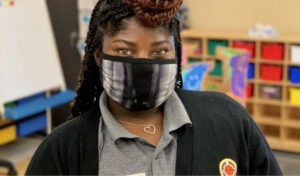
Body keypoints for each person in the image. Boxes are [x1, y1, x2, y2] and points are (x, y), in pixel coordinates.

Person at [26, 0, 282, 175]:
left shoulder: (229, 120)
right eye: (124, 50)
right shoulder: (62, 151)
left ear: (176, 53)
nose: (143, 64)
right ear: (98, 56)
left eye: (159, 52)